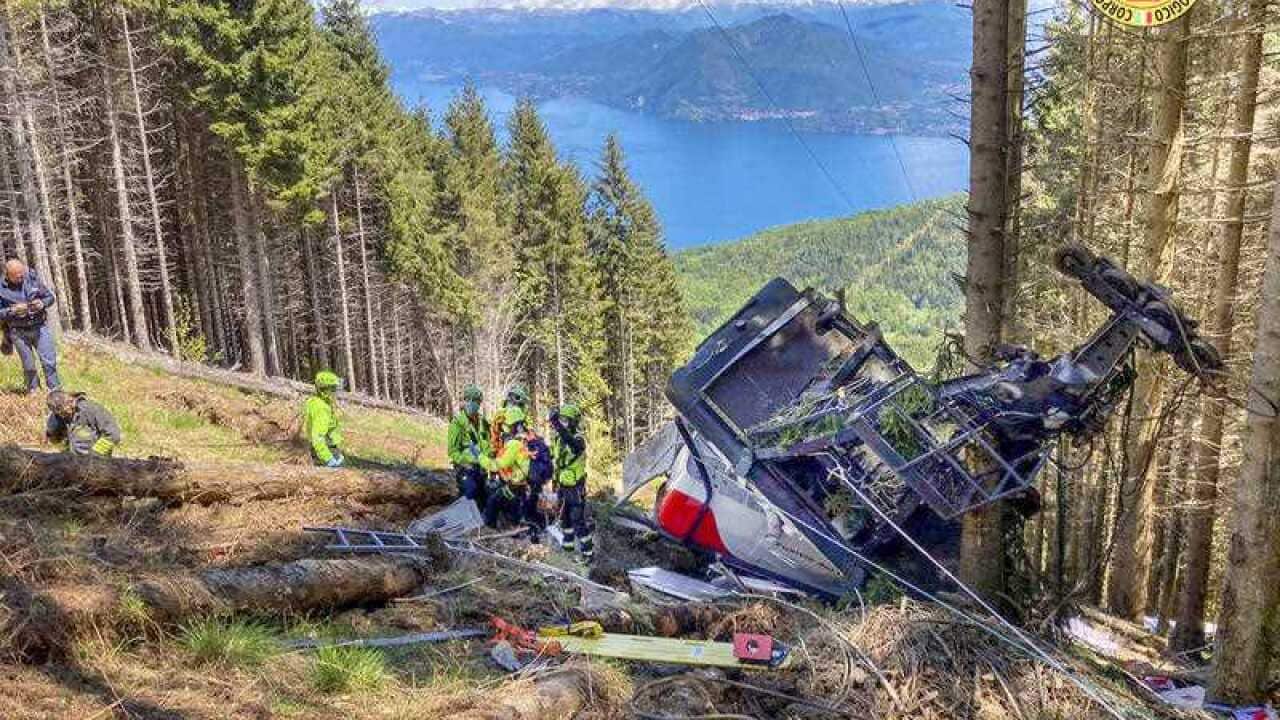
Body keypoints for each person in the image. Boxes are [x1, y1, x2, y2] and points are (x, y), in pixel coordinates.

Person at [0, 259, 60, 394]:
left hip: (40, 327)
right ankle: (35, 393)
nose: (22, 277)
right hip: (18, 332)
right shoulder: (1, 289)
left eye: (22, 274)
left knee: (49, 362)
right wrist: (12, 311)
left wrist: (42, 304)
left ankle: (55, 393)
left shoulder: (32, 278)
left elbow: (50, 297)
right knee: (29, 367)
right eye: (17, 276)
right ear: (8, 275)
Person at [480, 405, 536, 532]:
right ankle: (515, 524)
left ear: (511, 426)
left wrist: (480, 457)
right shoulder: (525, 440)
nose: (503, 430)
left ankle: (490, 531)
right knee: (501, 501)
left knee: (492, 502)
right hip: (520, 486)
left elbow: (498, 464)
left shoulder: (514, 444)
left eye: (505, 426)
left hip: (515, 487)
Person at [550, 404, 592, 561]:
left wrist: (556, 424)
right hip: (562, 485)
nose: (563, 422)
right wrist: (555, 481)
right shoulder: (557, 439)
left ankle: (588, 554)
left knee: (578, 521)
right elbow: (558, 462)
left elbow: (571, 443)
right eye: (561, 419)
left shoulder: (578, 440)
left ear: (573, 422)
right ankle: (568, 550)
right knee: (565, 520)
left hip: (575, 487)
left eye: (566, 420)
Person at [447, 384, 491, 503]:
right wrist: (464, 463)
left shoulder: (484, 422)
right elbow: (452, 451)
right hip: (466, 470)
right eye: (469, 400)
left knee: (486, 499)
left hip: (482, 470)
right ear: (465, 401)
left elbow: (488, 445)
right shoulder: (458, 423)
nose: (472, 403)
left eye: (476, 401)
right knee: (469, 494)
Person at [45, 390, 122, 457]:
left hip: (97, 462)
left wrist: (95, 454)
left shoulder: (91, 410)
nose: (65, 414)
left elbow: (113, 434)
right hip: (72, 462)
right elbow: (54, 439)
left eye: (66, 408)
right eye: (61, 413)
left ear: (70, 400)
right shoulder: (57, 418)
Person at [304, 371, 345, 467]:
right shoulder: (321, 409)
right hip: (325, 451)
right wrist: (328, 458)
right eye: (333, 389)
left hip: (327, 448)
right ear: (324, 390)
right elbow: (318, 437)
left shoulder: (319, 402)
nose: (336, 392)